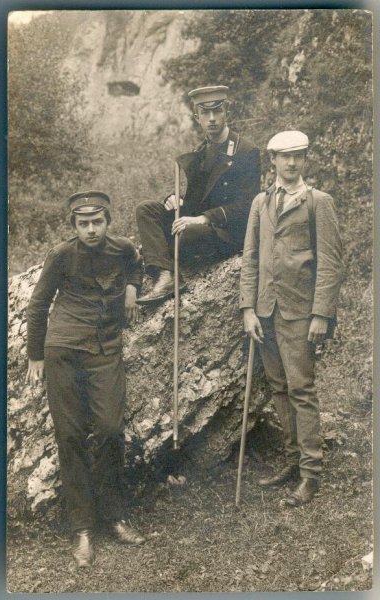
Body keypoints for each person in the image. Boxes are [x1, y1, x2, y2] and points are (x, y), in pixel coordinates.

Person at [26, 191, 146, 568]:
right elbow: (38, 303)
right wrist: (35, 354)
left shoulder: (122, 247)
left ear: (108, 221)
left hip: (106, 349)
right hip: (63, 351)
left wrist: (131, 289)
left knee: (110, 429)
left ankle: (115, 516)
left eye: (98, 222)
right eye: (83, 224)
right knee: (71, 434)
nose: (91, 230)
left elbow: (135, 265)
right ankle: (82, 529)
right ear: (74, 226)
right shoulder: (61, 255)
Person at [240, 131, 344, 507]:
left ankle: (310, 473)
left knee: (302, 389)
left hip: (301, 312)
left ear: (305, 159)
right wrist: (248, 308)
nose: (291, 163)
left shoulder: (319, 202)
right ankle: (291, 459)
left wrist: (321, 314)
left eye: (298, 156)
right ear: (273, 162)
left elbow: (331, 263)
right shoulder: (261, 202)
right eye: (284, 157)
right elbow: (250, 257)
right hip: (266, 312)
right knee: (279, 388)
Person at [136, 85, 261, 305]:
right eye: (205, 113)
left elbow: (248, 205)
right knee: (146, 210)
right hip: (200, 223)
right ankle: (166, 276)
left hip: (226, 233)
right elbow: (196, 201)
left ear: (226, 112)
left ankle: (158, 253)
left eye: (217, 111)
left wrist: (205, 218)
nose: (212, 118)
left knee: (188, 234)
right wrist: (174, 200)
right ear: (197, 117)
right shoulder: (201, 150)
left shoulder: (246, 151)